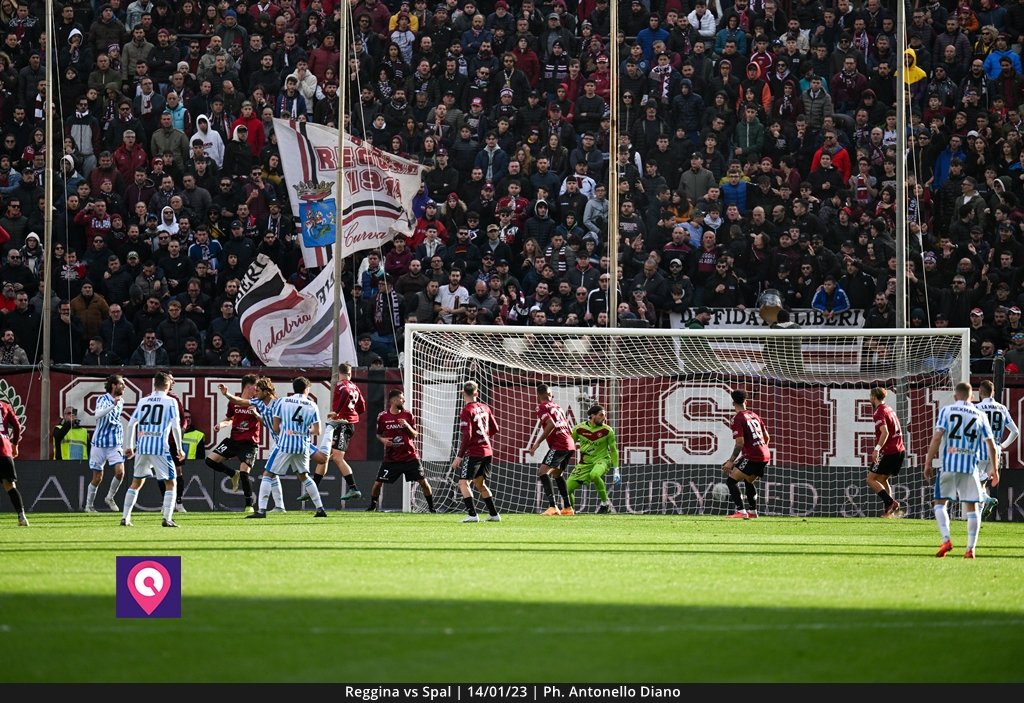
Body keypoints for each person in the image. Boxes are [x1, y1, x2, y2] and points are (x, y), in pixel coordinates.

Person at [924, 382, 1000, 559]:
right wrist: (995, 469)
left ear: (955, 396)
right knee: (972, 507)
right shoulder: (980, 414)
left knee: (939, 503)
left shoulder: (947, 410)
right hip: (970, 467)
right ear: (972, 397)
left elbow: (936, 438)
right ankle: (970, 549)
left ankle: (946, 539)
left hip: (949, 465)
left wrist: (928, 462)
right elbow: (992, 445)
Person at [248, 377, 328, 519]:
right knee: (304, 476)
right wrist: (302, 431)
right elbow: (317, 431)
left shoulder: (283, 401)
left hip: (285, 444)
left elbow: (275, 427)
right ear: (307, 389)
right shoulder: (312, 405)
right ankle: (320, 508)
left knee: (268, 474)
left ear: (294, 388)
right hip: (302, 445)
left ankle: (261, 511)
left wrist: (287, 432)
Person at [121, 372, 186, 527]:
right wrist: (179, 448)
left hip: (142, 447)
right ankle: (167, 518)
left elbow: (131, 424)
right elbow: (176, 426)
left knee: (136, 482)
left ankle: (126, 517)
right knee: (171, 482)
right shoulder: (171, 401)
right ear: (167, 384)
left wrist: (129, 446)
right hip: (160, 448)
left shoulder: (143, 401)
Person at [300, 362, 364, 504]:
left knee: (337, 458)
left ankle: (354, 488)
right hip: (343, 424)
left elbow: (346, 394)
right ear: (350, 373)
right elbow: (362, 406)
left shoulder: (342, 385)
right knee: (325, 456)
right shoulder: (356, 387)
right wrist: (352, 415)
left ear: (338, 374)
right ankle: (313, 490)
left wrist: (338, 412)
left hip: (342, 424)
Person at [366, 390, 435, 513]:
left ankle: (432, 508)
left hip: (410, 457)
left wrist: (407, 426)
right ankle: (372, 507)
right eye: (401, 399)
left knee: (423, 482)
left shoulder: (408, 415)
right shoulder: (383, 416)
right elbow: (378, 434)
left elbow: (415, 435)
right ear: (393, 401)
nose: (403, 401)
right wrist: (383, 440)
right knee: (377, 483)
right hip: (391, 458)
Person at [205, 373, 261, 513]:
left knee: (244, 473)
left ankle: (249, 505)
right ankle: (232, 474)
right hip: (234, 440)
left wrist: (255, 413)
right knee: (210, 461)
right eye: (256, 386)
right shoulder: (234, 402)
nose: (257, 389)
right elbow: (229, 419)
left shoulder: (257, 403)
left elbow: (264, 422)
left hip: (249, 443)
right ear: (249, 386)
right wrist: (221, 425)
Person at [450, 381, 500, 523]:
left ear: (462, 393)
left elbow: (468, 435)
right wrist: (483, 436)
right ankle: (494, 514)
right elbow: (495, 428)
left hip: (474, 452)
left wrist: (459, 456)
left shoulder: (466, 410)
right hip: (487, 451)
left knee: (463, 483)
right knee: (479, 484)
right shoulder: (485, 407)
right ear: (477, 393)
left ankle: (472, 515)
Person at [528, 383, 577, 515]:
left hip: (560, 445)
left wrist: (537, 443)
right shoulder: (558, 407)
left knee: (543, 472)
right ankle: (567, 507)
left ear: (538, 395)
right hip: (569, 443)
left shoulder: (542, 407)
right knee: (557, 474)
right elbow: (569, 428)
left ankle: (553, 506)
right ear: (549, 394)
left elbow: (551, 424)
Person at [722, 389, 771, 519]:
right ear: (746, 401)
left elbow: (740, 443)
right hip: (765, 453)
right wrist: (759, 449)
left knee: (731, 481)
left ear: (733, 404)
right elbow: (767, 437)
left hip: (753, 456)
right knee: (749, 480)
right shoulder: (755, 415)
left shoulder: (737, 418)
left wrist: (731, 461)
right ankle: (753, 512)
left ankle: (741, 511)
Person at [975, 380, 1019, 519]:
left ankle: (987, 500)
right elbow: (1015, 432)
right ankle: (979, 517)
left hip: (980, 451)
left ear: (980, 392)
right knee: (981, 485)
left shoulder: (977, 408)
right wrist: (1003, 446)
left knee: (972, 484)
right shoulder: (1002, 408)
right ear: (993, 392)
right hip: (995, 453)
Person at [85, 374, 127, 513]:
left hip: (115, 443)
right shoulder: (103, 399)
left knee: (120, 472)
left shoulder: (121, 401)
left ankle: (109, 497)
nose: (124, 386)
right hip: (99, 443)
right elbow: (97, 415)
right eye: (121, 384)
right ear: (113, 385)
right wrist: (112, 406)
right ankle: (89, 506)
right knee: (97, 477)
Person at [568, 404, 621, 514]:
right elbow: (569, 445)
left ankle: (605, 504)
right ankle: (570, 511)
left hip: (602, 460)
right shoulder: (579, 429)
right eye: (601, 415)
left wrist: (616, 470)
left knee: (594, 475)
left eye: (605, 415)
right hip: (584, 464)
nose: (604, 418)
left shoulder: (607, 430)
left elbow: (614, 450)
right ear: (592, 416)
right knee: (567, 489)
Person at [867, 386, 906, 518]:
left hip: (888, 450)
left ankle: (890, 502)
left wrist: (876, 449)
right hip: (899, 450)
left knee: (871, 479)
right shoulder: (889, 408)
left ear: (873, 397)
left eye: (870, 397)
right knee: (883, 479)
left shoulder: (878, 412)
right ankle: (889, 512)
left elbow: (885, 432)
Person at [0, 392, 27, 526]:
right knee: (10, 485)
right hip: (4, 450)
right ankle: (22, 517)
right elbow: (17, 426)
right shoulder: (4, 405)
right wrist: (15, 445)